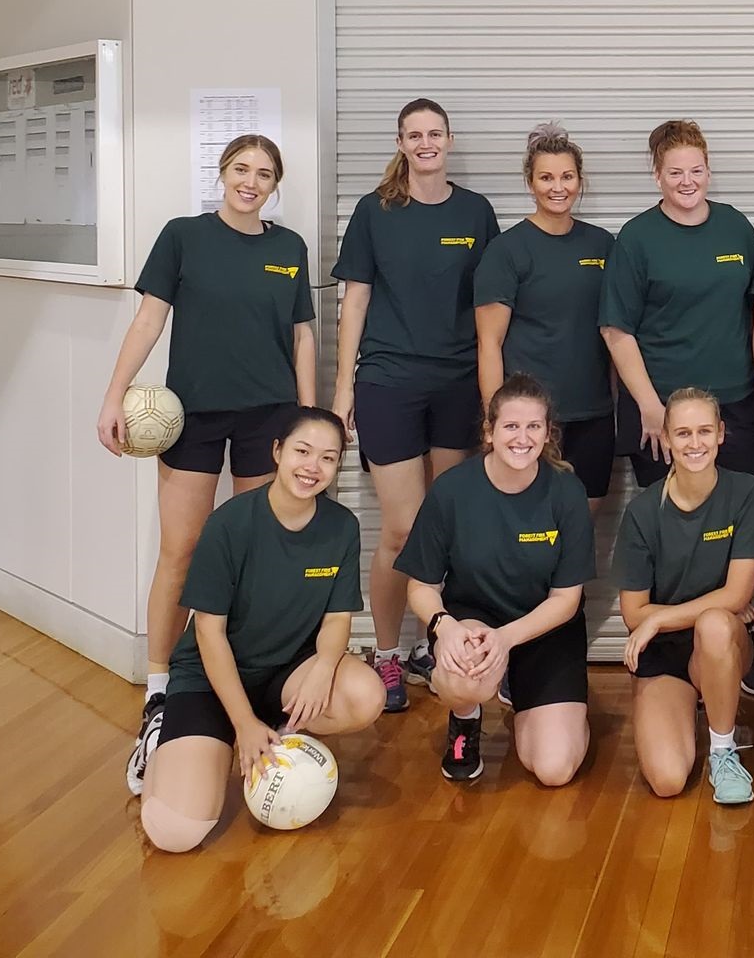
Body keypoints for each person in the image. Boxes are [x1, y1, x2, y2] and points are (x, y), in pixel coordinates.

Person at [98, 132, 316, 796]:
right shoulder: (182, 236)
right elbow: (148, 321)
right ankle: (161, 690)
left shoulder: (289, 249)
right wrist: (114, 395)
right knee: (184, 551)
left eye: (265, 174)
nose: (252, 181)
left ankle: (247, 682)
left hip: (268, 419)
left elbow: (303, 335)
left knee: (255, 555)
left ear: (275, 186)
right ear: (222, 174)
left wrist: (307, 422)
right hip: (192, 416)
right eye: (242, 170)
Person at [138, 407, 385, 852]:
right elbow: (209, 634)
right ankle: (162, 734)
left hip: (284, 674)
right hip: (210, 681)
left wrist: (326, 664)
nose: (313, 467)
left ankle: (269, 733)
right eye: (302, 451)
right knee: (176, 833)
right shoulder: (230, 524)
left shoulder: (342, 527)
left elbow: (337, 617)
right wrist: (242, 722)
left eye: (328, 458)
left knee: (366, 694)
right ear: (277, 451)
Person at [330, 98, 499, 713]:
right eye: (414, 135)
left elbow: (491, 306)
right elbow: (354, 300)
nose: (425, 143)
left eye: (435, 133)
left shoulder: (475, 211)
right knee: (403, 528)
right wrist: (344, 388)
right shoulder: (375, 212)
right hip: (388, 382)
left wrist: (492, 396)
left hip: (457, 384)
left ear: (449, 140)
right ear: (401, 143)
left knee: (447, 529)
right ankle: (388, 654)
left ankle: (441, 643)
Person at [599, 118, 754, 699]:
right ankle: (670, 651)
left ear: (708, 171)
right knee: (675, 537)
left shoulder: (734, 227)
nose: (687, 180)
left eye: (696, 170)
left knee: (740, 535)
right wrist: (650, 407)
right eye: (675, 172)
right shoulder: (637, 237)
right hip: (662, 415)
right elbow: (616, 330)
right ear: (657, 175)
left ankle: (735, 650)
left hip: (737, 406)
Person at [397, 374, 595, 787]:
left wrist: (508, 640)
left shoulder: (566, 491)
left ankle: (527, 694)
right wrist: (444, 626)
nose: (521, 438)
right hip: (475, 625)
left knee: (553, 770)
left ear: (547, 433)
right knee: (462, 675)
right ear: (489, 431)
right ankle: (465, 720)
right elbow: (421, 586)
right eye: (510, 426)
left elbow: (566, 601)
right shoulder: (452, 490)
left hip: (544, 628)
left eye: (533, 427)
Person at [615, 389, 754, 805]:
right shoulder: (643, 511)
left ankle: (723, 750)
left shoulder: (747, 495)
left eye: (705, 431)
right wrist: (653, 623)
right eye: (683, 433)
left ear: (721, 434)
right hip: (664, 651)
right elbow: (634, 612)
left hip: (721, 641)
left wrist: (659, 617)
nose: (695, 443)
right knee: (667, 780)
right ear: (665, 439)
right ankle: (686, 707)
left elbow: (738, 594)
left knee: (717, 622)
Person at [475, 123, 617, 508]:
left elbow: (616, 333)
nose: (558, 187)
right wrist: (496, 420)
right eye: (547, 177)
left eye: (567, 176)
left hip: (592, 411)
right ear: (530, 182)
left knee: (582, 524)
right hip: (528, 419)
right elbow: (490, 343)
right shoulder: (506, 251)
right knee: (527, 522)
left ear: (580, 180)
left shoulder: (603, 245)